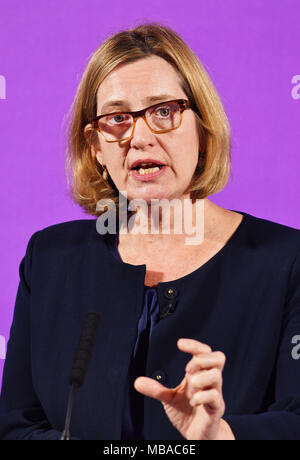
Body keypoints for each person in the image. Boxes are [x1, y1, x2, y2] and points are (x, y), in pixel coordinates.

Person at [0, 22, 300, 441]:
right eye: (117, 118)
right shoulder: (49, 259)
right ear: (95, 147)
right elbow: (17, 426)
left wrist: (222, 436)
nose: (139, 137)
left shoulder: (286, 262)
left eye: (163, 111)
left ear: (202, 127)